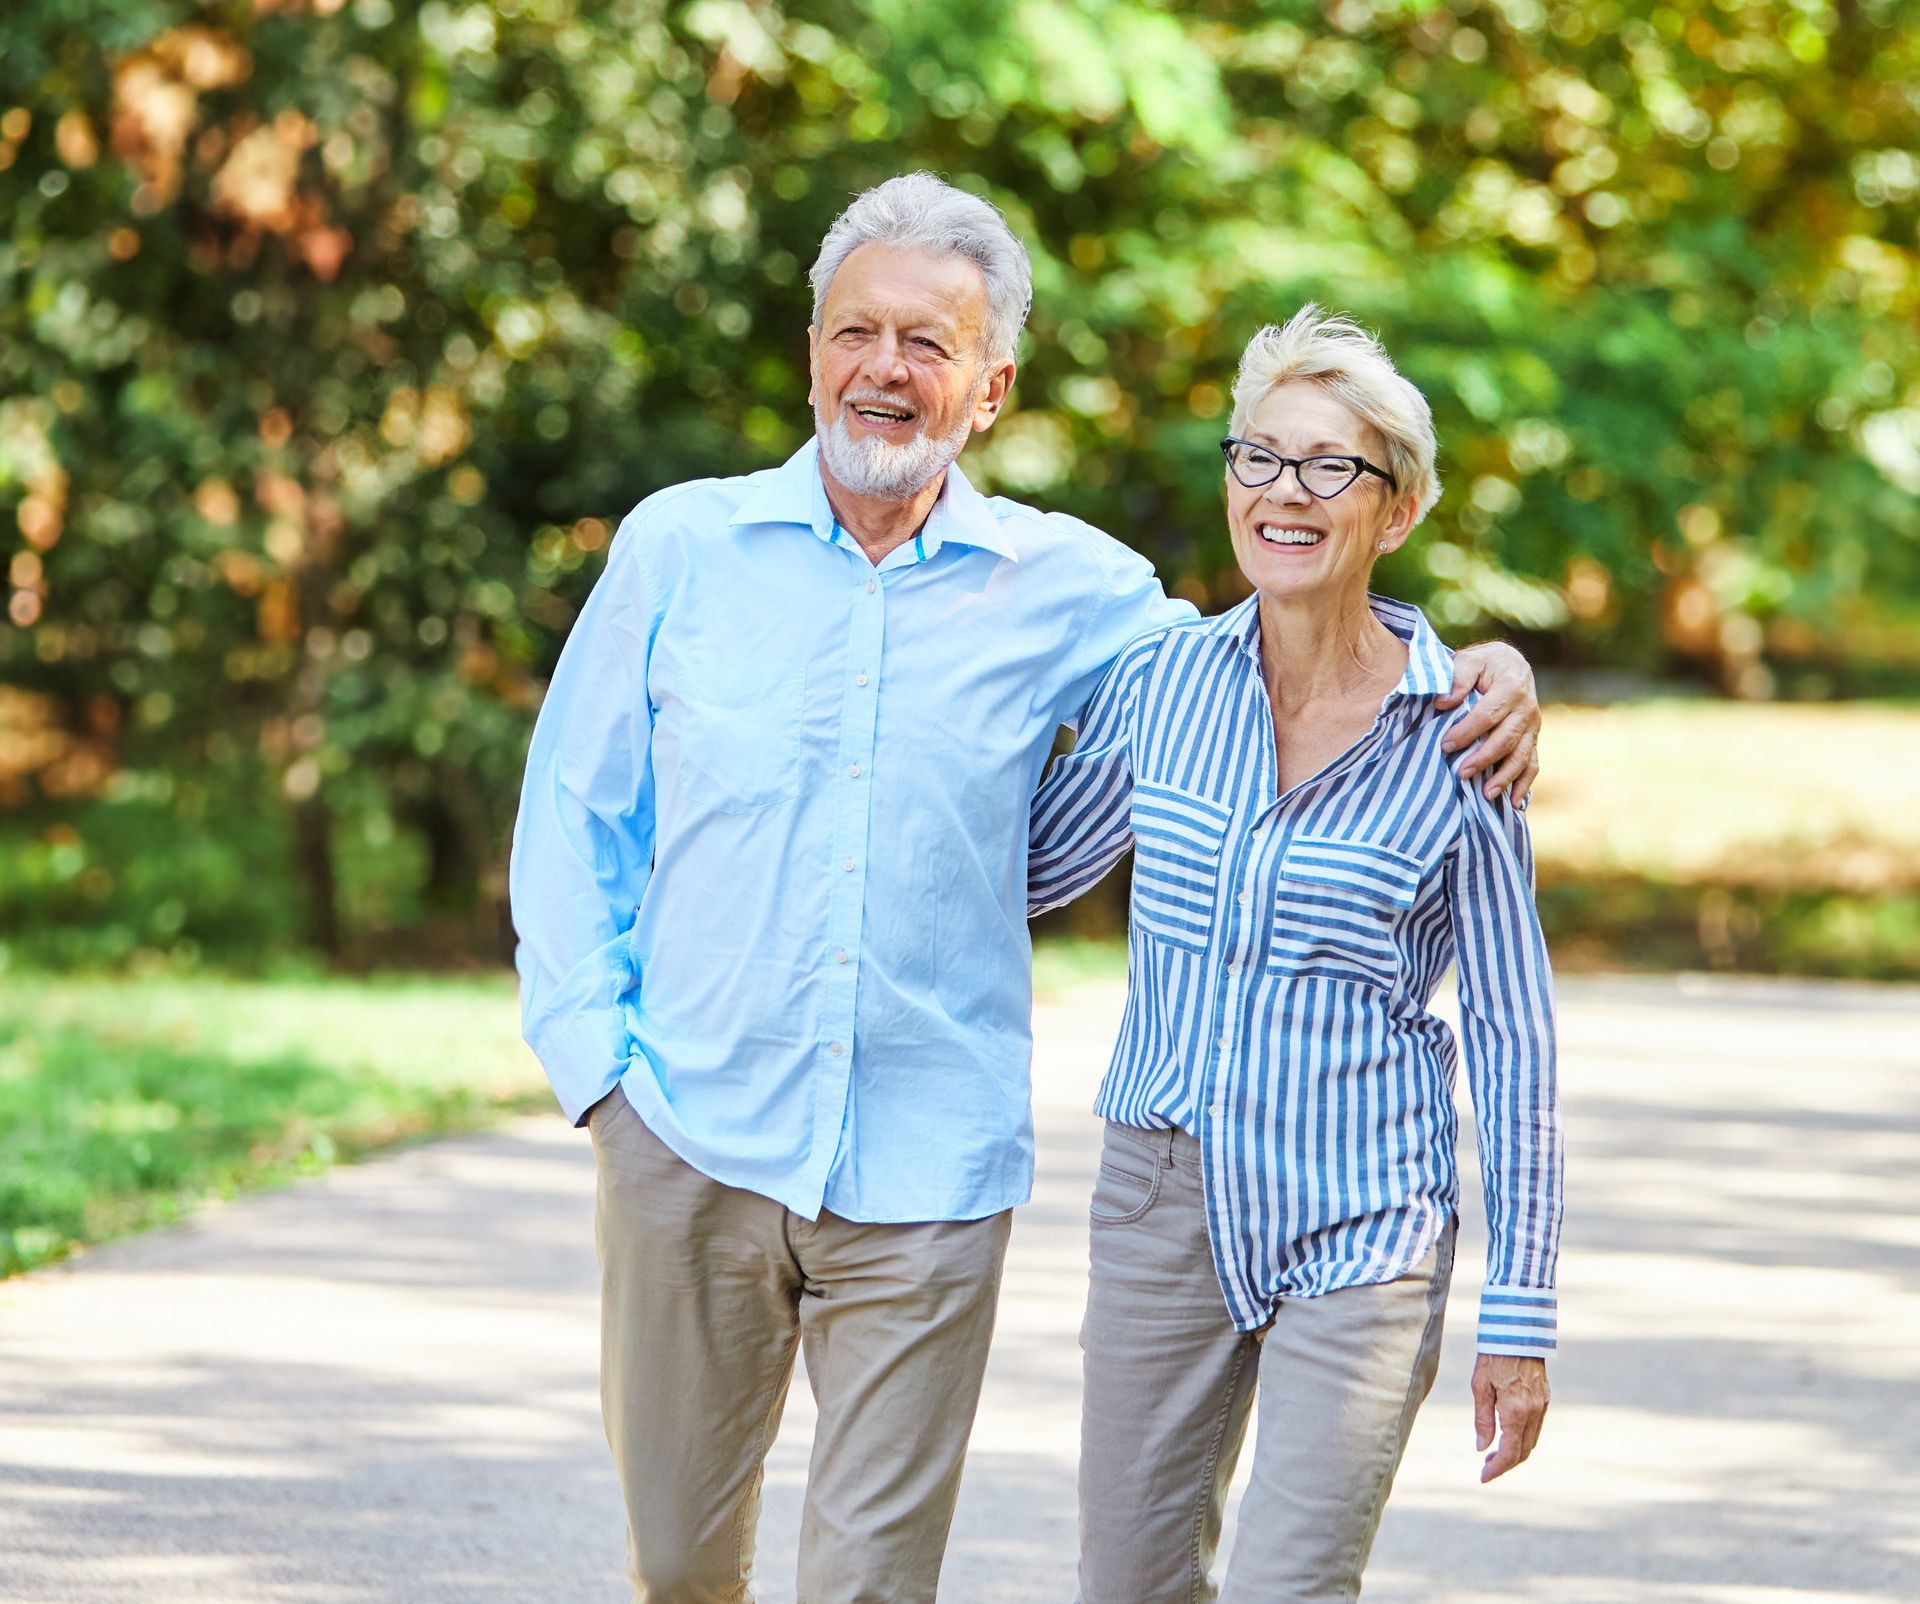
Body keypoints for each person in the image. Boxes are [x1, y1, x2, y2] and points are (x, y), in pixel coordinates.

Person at [510, 176, 1543, 1604]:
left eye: (927, 344)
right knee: (680, 1570)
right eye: (856, 332)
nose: (886, 369)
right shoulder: (680, 548)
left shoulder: (1082, 591)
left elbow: (1287, 647)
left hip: (927, 1175)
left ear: (988, 387)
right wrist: (602, 1083)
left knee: (872, 1585)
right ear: (814, 350)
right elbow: (575, 814)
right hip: (690, 1133)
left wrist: (1484, 669)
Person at [1028, 306, 1563, 1604]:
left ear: (1397, 511)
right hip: (1164, 1191)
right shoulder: (1163, 683)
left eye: (1331, 466)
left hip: (1365, 1210)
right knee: (1129, 1585)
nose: (1284, 492)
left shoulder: (1461, 729)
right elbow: (1032, 871)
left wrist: (1522, 1310)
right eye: (1257, 457)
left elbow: (1511, 1028)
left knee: (1290, 1586)